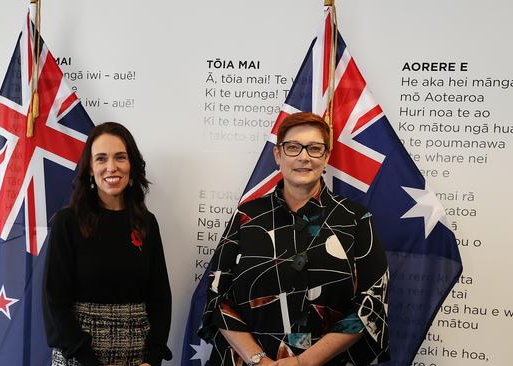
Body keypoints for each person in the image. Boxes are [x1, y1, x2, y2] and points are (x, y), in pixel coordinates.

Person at [199, 112, 389, 366]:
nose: (303, 157)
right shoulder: (247, 216)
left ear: (326, 157)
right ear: (278, 155)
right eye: (292, 147)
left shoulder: (356, 219)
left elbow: (371, 303)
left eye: (314, 148)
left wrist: (304, 362)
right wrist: (259, 360)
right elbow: (218, 296)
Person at [43, 122, 172, 366]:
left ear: (131, 164)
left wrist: (153, 359)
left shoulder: (147, 222)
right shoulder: (67, 222)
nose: (111, 167)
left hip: (137, 357)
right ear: (90, 168)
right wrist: (88, 360)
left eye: (120, 157)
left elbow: (160, 298)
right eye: (101, 159)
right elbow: (55, 303)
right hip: (79, 357)